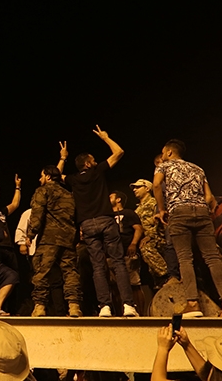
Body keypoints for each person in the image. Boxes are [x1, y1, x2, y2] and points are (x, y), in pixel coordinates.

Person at [153, 139, 222, 317]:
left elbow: (156, 185)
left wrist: (162, 209)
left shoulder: (164, 166)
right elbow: (209, 196)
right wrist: (200, 207)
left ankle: (193, 304)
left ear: (169, 152)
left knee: (185, 259)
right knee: (213, 258)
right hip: (202, 213)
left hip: (179, 212)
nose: (162, 155)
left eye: (163, 152)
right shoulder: (198, 168)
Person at [61, 127, 139, 317]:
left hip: (87, 224)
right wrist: (106, 138)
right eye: (93, 160)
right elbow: (119, 152)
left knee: (97, 266)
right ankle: (128, 305)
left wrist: (63, 158)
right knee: (118, 262)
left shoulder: (73, 179)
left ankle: (104, 306)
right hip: (105, 220)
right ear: (88, 164)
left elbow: (55, 175)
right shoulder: (97, 171)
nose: (96, 162)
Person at [25, 164, 82, 317]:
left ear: (48, 176)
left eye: (41, 176)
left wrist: (30, 235)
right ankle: (74, 306)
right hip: (68, 239)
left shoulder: (43, 191)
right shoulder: (69, 194)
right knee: (70, 272)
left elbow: (37, 214)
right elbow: (76, 218)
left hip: (49, 239)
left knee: (41, 272)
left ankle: (40, 307)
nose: (40, 179)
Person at [131, 178, 180, 286]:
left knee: (146, 249)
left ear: (147, 188)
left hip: (158, 237)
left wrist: (150, 236)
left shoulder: (154, 203)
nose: (134, 190)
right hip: (145, 239)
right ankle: (160, 282)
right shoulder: (137, 210)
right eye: (134, 188)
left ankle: (167, 275)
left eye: (138, 187)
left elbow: (160, 223)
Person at [110, 190, 145, 314]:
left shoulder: (129, 213)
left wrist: (133, 243)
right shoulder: (107, 216)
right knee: (114, 286)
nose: (108, 199)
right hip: (111, 254)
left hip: (127, 252)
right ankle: (119, 313)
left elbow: (138, 228)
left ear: (118, 199)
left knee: (133, 283)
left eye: (111, 196)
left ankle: (139, 311)